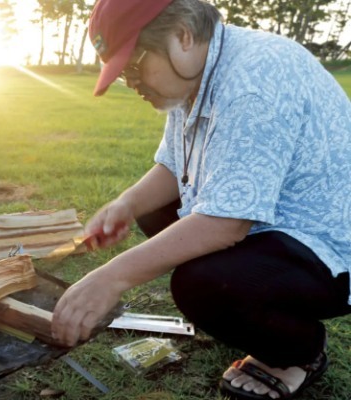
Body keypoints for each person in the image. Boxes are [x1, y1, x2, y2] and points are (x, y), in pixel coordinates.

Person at [50, 0, 351, 399]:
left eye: (134, 65)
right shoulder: (198, 76)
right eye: (121, 74)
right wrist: (125, 204)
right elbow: (177, 168)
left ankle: (298, 351)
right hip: (276, 225)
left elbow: (226, 224)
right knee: (155, 211)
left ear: (183, 36)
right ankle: (256, 311)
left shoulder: (253, 81)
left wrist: (110, 278)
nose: (132, 82)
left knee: (204, 285)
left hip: (330, 249)